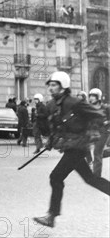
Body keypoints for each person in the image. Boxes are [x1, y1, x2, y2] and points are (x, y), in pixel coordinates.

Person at [33, 72, 110, 228]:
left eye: (54, 85)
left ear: (63, 86)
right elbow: (56, 126)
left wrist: (89, 134)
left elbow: (98, 115)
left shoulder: (74, 102)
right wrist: (51, 140)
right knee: (90, 178)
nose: (50, 88)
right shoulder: (54, 105)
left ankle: (51, 216)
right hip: (70, 147)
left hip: (78, 147)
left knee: (55, 177)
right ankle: (51, 216)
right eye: (50, 85)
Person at [89, 88, 110, 177]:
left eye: (93, 96)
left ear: (98, 97)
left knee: (97, 152)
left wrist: (107, 123)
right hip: (92, 132)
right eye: (90, 96)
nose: (91, 98)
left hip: (103, 132)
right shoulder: (89, 108)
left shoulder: (106, 107)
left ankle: (96, 175)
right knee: (95, 152)